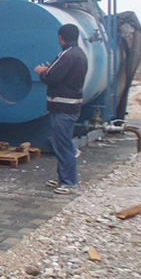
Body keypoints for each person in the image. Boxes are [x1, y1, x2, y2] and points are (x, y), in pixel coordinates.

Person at [33, 23, 88, 194]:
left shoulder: (67, 55)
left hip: (63, 107)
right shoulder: (79, 54)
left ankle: (68, 182)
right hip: (70, 106)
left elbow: (51, 78)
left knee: (64, 145)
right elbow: (60, 74)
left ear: (61, 37)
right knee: (62, 144)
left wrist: (41, 71)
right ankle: (62, 178)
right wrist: (51, 70)